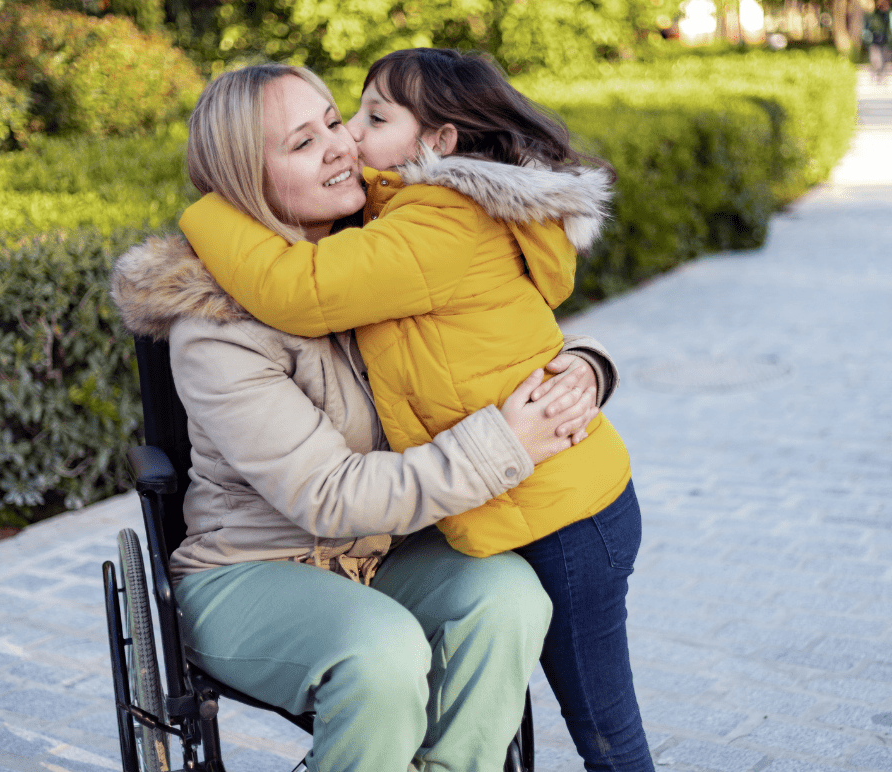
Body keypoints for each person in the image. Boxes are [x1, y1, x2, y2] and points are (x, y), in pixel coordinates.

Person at [111, 62, 620, 772]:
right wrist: (504, 442)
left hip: (380, 554)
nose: (340, 145)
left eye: (333, 121)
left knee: (508, 599)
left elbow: (492, 323)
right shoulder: (217, 328)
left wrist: (584, 367)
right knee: (381, 652)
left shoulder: (377, 254)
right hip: (253, 571)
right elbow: (327, 495)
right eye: (300, 142)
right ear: (242, 182)